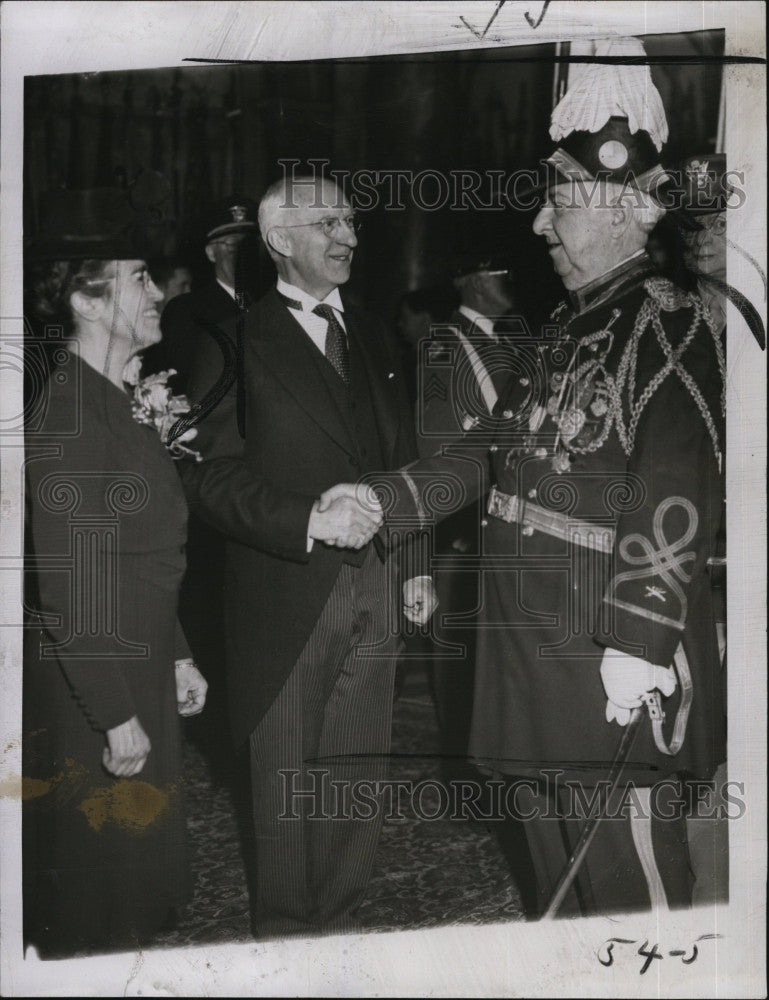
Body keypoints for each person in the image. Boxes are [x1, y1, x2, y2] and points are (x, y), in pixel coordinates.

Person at [363, 37, 727, 917]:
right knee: (556, 891)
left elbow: (677, 487)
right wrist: (386, 499)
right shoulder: (565, 327)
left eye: (557, 201)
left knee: (628, 894)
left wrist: (637, 646)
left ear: (624, 210)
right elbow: (490, 453)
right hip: (530, 671)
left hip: (602, 668)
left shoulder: (665, 325)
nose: (537, 224)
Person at [178, 174, 435, 938]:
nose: (347, 235)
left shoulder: (374, 332)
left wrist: (415, 559)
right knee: (288, 789)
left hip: (379, 582)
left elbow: (403, 455)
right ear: (280, 239)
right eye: (327, 222)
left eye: (351, 220)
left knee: (358, 778)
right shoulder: (231, 339)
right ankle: (289, 948)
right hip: (284, 597)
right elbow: (204, 476)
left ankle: (342, 933)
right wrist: (307, 519)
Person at [23, 187, 208, 956]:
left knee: (134, 873)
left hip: (138, 657)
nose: (158, 291)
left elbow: (139, 551)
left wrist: (176, 650)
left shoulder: (113, 399)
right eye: (138, 277)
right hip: (95, 678)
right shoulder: (68, 411)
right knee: (101, 887)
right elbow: (71, 578)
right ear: (86, 301)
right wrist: (111, 710)